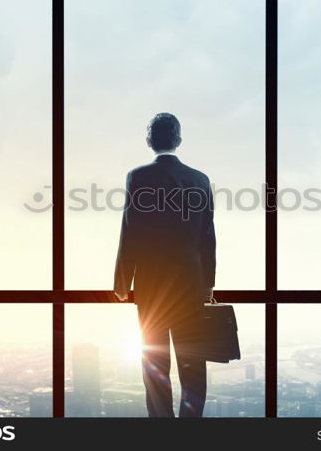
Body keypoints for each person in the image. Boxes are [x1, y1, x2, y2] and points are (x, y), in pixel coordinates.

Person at [113, 112, 215, 417]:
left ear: (149, 141)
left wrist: (121, 284)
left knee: (155, 365)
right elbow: (207, 238)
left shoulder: (138, 177)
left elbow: (130, 233)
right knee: (193, 364)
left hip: (151, 286)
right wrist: (208, 285)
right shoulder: (200, 180)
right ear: (179, 140)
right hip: (191, 287)